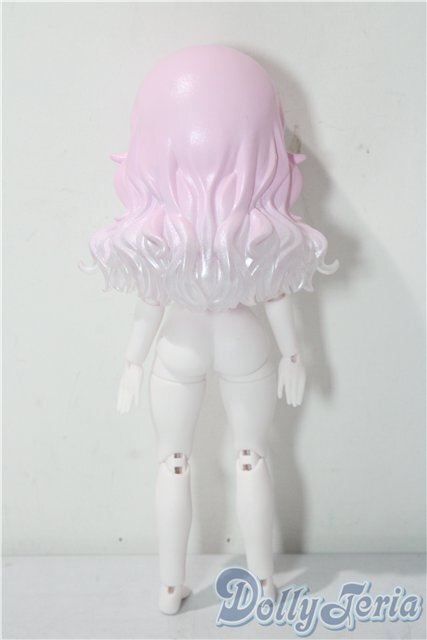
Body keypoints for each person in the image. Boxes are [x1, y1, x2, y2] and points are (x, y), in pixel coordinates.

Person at [84, 44, 337, 614]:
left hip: (180, 342)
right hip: (244, 339)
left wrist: (132, 360)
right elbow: (275, 295)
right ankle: (263, 580)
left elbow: (151, 301)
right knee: (253, 456)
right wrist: (294, 355)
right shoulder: (255, 227)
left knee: (172, 461)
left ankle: (170, 588)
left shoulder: (163, 228)